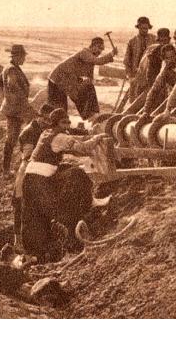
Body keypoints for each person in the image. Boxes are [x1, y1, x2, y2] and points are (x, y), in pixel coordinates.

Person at [21, 108, 109, 262]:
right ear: (56, 123)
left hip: (29, 178)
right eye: (64, 122)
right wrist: (98, 138)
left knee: (34, 218)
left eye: (68, 121)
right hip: (41, 181)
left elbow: (73, 148)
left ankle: (35, 256)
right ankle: (73, 242)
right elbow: (82, 149)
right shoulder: (60, 137)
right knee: (62, 207)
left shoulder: (47, 133)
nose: (67, 125)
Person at [12, 103, 54, 247]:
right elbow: (27, 155)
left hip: (40, 169)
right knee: (20, 203)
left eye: (50, 121)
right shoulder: (29, 132)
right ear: (39, 116)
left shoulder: (46, 129)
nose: (48, 123)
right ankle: (18, 241)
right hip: (28, 169)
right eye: (45, 119)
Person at [48, 37, 117, 119]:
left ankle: (90, 115)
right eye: (99, 48)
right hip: (57, 80)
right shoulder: (85, 53)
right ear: (93, 46)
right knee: (59, 108)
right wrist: (111, 54)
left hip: (65, 80)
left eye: (102, 49)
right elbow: (97, 61)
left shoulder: (90, 57)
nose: (100, 51)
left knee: (83, 93)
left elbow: (89, 76)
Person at [0, 44, 34, 176]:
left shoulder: (10, 67)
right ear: (17, 56)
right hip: (15, 110)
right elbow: (11, 84)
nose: (24, 59)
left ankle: (10, 168)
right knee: (12, 138)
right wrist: (21, 98)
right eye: (23, 56)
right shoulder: (12, 70)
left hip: (14, 108)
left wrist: (7, 96)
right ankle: (7, 170)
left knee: (15, 137)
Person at [130, 27, 171, 102]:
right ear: (158, 41)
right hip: (145, 84)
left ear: (169, 40)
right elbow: (149, 75)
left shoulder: (171, 51)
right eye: (161, 41)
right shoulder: (153, 54)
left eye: (165, 40)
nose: (163, 43)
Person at [141, 44, 176, 116]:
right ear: (164, 60)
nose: (171, 60)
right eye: (168, 58)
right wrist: (146, 111)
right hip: (174, 101)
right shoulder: (164, 73)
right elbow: (153, 91)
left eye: (173, 56)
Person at [124, 17, 157, 98]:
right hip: (136, 76)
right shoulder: (132, 41)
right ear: (138, 28)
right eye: (142, 28)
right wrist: (129, 76)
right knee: (134, 99)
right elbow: (126, 61)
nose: (145, 30)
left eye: (146, 28)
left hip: (150, 76)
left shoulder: (154, 39)